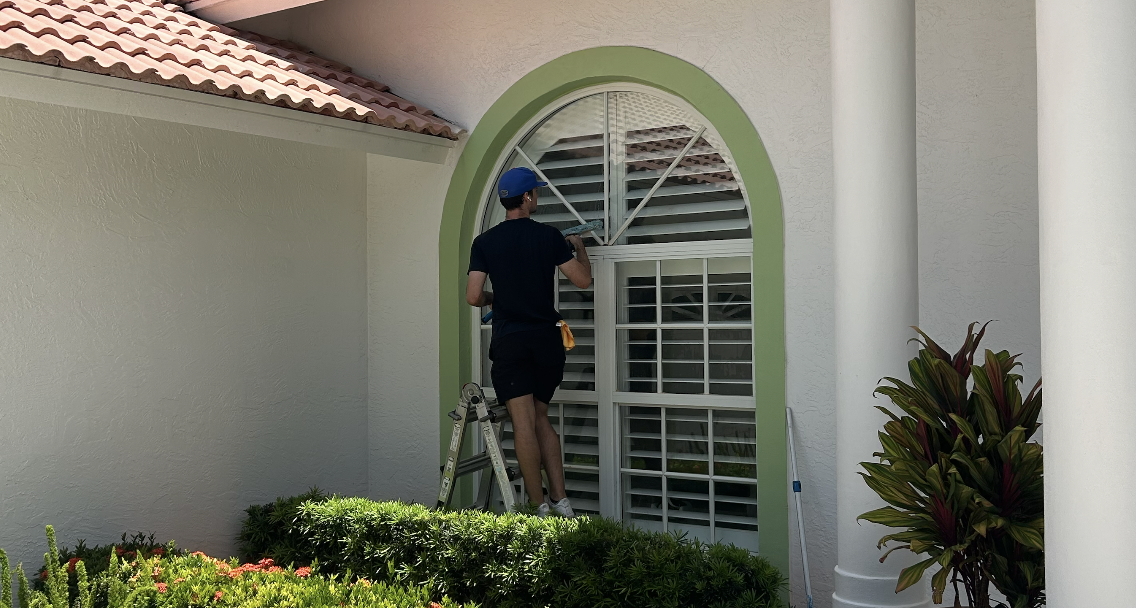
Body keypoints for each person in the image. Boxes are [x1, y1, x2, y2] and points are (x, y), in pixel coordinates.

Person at [465, 166, 592, 517]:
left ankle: (539, 507)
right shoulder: (548, 237)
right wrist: (580, 249)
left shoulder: (484, 242)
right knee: (541, 419)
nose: (537, 197)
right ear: (526, 197)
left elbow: (473, 296)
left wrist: (495, 299)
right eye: (536, 192)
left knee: (523, 423)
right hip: (546, 341)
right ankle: (561, 501)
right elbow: (583, 280)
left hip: (511, 340)